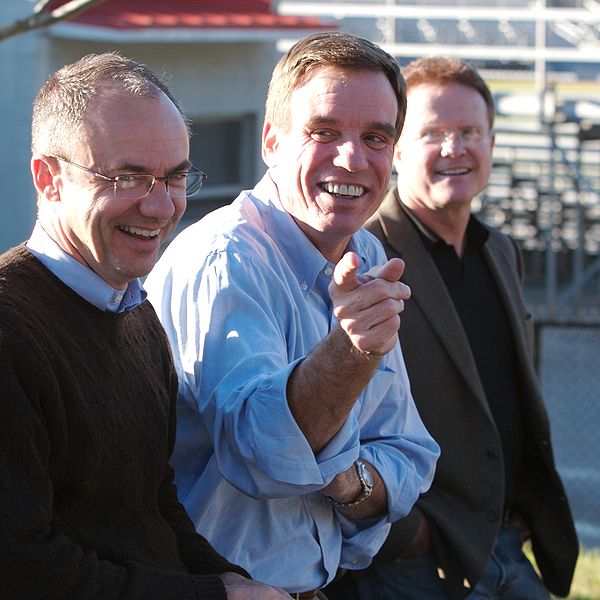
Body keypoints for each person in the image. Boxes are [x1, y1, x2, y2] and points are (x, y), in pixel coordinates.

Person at [145, 32, 439, 598]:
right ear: (271, 140)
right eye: (323, 131)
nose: (351, 158)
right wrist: (351, 354)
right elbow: (266, 456)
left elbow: (410, 453)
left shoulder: (366, 254)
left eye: (375, 137)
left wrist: (345, 480)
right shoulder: (225, 260)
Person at [0, 52, 290, 600]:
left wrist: (238, 584)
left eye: (176, 176)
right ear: (48, 178)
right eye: (127, 176)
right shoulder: (10, 332)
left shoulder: (134, 311)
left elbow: (153, 503)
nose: (160, 206)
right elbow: (18, 565)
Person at [328, 56, 578, 599]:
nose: (454, 148)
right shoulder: (362, 256)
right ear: (396, 148)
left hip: (504, 542)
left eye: (469, 132)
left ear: (491, 140)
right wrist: (409, 537)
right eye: (433, 133)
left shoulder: (501, 252)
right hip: (416, 564)